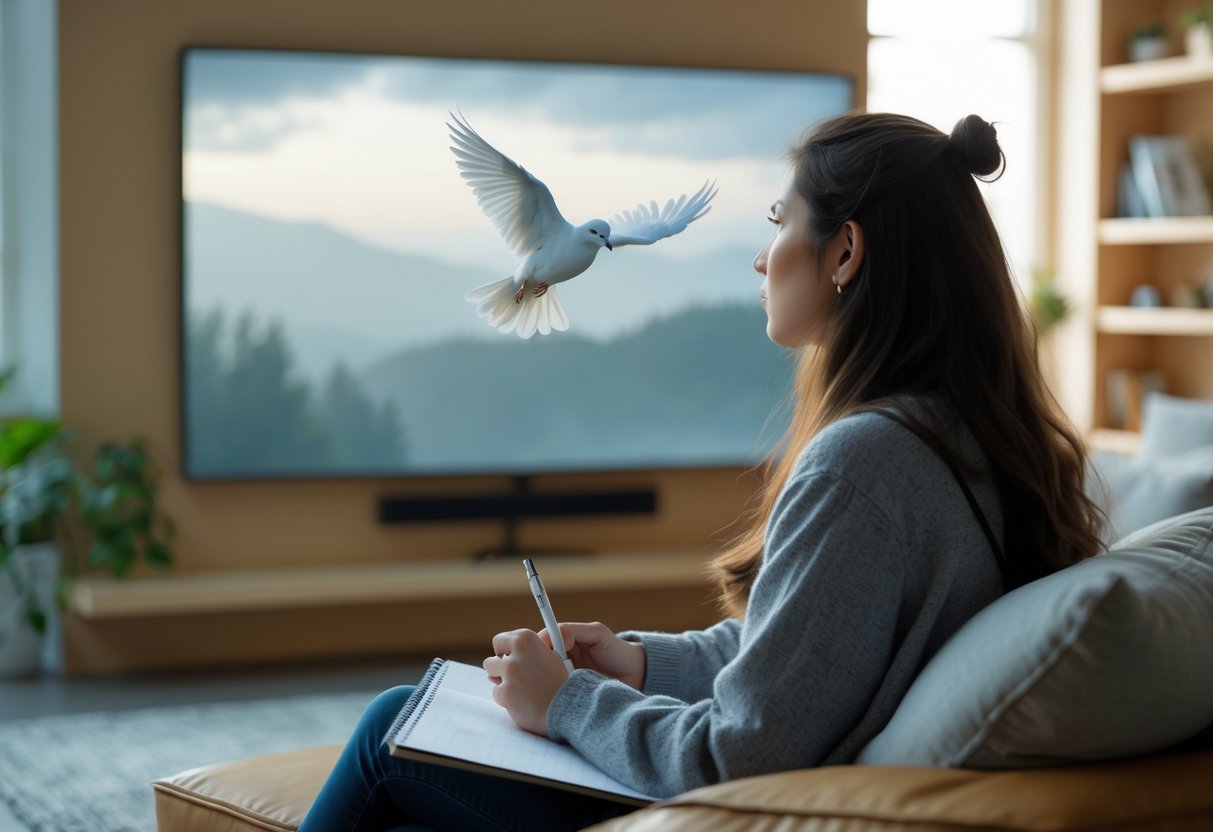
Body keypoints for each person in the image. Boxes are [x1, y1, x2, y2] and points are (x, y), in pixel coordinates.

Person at [298, 112, 1105, 832]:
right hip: (806, 789)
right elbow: (815, 651)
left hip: (746, 810)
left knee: (392, 728)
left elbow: (740, 754)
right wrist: (641, 665)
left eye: (778, 222)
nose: (760, 258)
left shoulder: (862, 465)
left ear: (844, 252)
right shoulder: (967, 438)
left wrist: (567, 702)